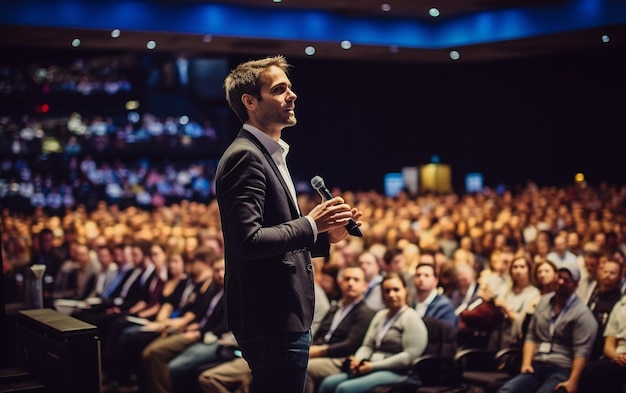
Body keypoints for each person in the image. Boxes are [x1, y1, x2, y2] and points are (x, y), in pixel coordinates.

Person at [215, 55, 362, 393]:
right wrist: (311, 223)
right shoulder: (245, 156)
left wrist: (326, 235)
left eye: (290, 88)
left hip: (280, 316)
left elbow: (277, 233)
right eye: (279, 90)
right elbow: (248, 241)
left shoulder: (266, 153)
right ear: (250, 102)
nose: (292, 96)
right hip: (272, 318)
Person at [496, 260, 598, 393]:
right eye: (559, 277)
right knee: (506, 390)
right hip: (537, 364)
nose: (561, 282)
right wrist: (526, 363)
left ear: (575, 285)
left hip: (561, 368)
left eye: (566, 280)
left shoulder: (582, 314)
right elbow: (531, 334)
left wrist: (573, 382)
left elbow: (582, 351)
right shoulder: (543, 301)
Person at [317, 272, 428, 393]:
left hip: (399, 371)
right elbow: (368, 346)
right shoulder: (380, 316)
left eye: (396, 290)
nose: (391, 295)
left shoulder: (411, 318)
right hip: (371, 365)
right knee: (328, 384)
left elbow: (408, 357)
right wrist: (358, 360)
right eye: (387, 291)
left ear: (405, 290)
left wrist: (373, 366)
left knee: (344, 389)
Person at [577, 293, 626, 393]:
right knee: (592, 371)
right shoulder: (620, 305)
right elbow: (608, 344)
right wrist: (617, 357)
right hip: (618, 358)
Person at [412, 263, 457, 328]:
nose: (421, 279)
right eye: (418, 275)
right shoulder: (411, 302)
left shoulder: (445, 306)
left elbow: (447, 334)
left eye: (426, 275)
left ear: (435, 281)